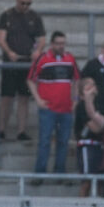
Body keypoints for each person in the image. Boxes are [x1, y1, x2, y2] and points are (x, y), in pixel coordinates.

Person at [28, 32, 80, 175]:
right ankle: (40, 172)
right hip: (48, 108)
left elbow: (76, 79)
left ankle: (60, 172)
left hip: (66, 108)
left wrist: (75, 99)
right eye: (57, 43)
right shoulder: (42, 59)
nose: (60, 46)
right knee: (44, 142)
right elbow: (30, 80)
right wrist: (38, 99)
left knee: (63, 142)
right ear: (52, 44)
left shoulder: (70, 59)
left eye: (62, 43)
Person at [0, 0, 46, 142]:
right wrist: (9, 52)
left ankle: (21, 130)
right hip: (10, 62)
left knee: (24, 97)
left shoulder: (35, 17)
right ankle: (1, 129)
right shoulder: (7, 15)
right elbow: (1, 38)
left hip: (26, 63)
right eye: (23, 3)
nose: (25, 6)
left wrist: (37, 51)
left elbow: (42, 38)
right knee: (7, 97)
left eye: (28, 3)